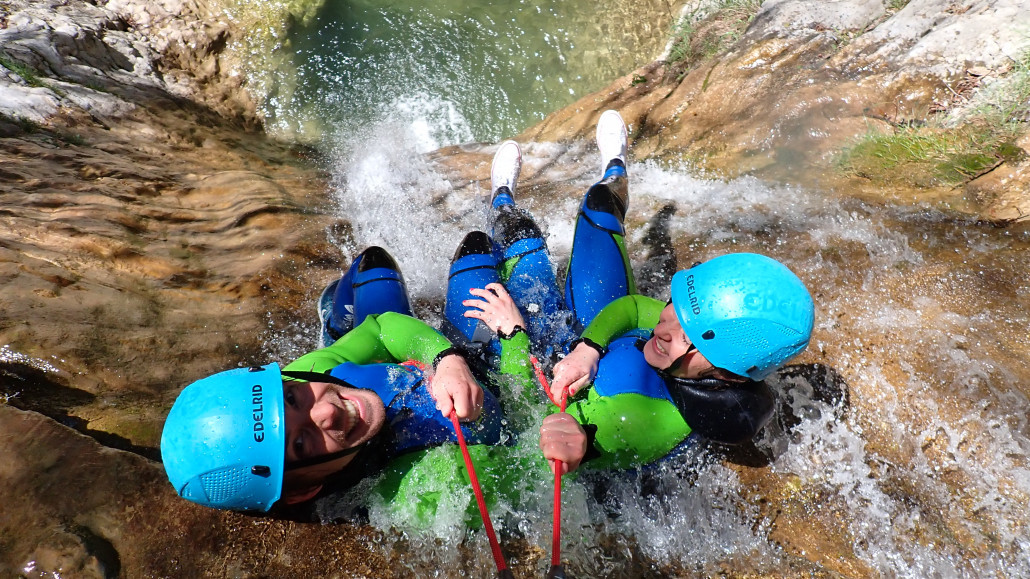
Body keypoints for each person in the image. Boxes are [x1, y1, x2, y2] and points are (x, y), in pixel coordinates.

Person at [159, 141, 549, 516]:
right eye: (300, 443)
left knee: (373, 263)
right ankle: (503, 202)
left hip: (447, 366)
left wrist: (446, 360)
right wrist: (514, 338)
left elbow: (382, 327)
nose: (326, 410)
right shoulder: (421, 490)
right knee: (482, 254)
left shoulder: (310, 374)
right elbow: (530, 450)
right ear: (304, 489)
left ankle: (336, 322)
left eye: (292, 398)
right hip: (497, 380)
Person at [535, 110, 817, 475]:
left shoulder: (642, 422)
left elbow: (573, 437)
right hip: (594, 342)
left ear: (728, 377)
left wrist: (579, 444)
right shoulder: (699, 341)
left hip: (581, 388)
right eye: (674, 308)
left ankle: (503, 204)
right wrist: (588, 348)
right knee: (600, 204)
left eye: (688, 336)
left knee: (503, 251)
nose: (663, 329)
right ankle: (615, 169)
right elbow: (636, 309)